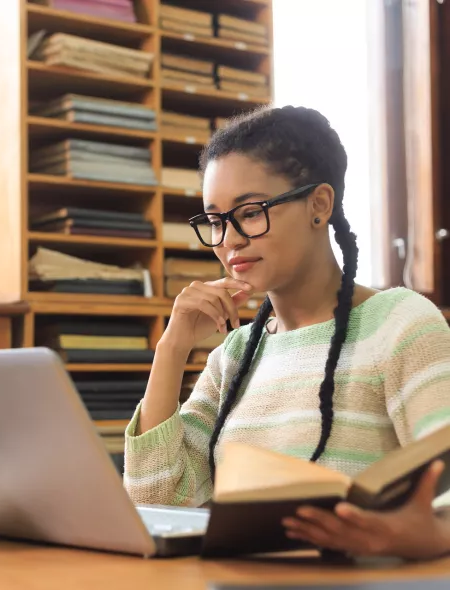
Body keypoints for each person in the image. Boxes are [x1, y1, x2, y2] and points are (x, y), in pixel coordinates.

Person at [123, 105, 450, 560]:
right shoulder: (234, 355)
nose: (229, 240)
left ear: (319, 205)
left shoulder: (400, 324)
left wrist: (430, 536)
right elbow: (156, 503)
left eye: (251, 212)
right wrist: (171, 347)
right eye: (215, 220)